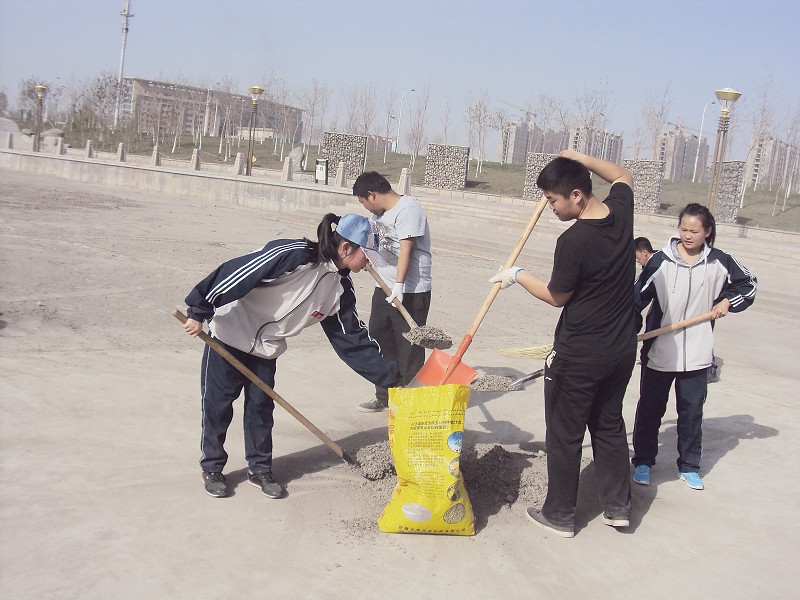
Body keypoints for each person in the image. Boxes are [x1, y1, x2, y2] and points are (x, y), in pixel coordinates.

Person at [182, 213, 401, 498]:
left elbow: (353, 341)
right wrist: (199, 308)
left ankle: (259, 469)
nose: (369, 263)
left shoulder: (339, 289)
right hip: (229, 334)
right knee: (217, 405)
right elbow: (238, 272)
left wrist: (391, 378)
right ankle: (212, 467)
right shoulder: (296, 254)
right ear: (346, 248)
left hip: (265, 349)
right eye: (367, 255)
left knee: (261, 409)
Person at [490, 150, 637, 538]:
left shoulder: (574, 241)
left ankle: (560, 515)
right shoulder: (621, 214)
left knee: (565, 434)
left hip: (579, 354)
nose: (550, 208)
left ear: (575, 195)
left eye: (553, 200)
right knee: (608, 426)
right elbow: (622, 174)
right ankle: (618, 506)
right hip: (621, 350)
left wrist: (518, 275)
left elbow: (557, 296)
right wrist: (578, 157)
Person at [631, 203, 756, 491]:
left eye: (694, 230)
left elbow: (748, 284)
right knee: (650, 409)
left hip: (698, 354)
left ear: (707, 232)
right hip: (660, 351)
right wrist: (624, 331)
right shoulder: (660, 261)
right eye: (684, 229)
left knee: (691, 412)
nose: (688, 235)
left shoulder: (719, 262)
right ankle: (643, 461)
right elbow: (636, 298)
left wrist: (727, 301)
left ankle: (688, 466)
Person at [352, 171, 432, 412]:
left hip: (411, 291)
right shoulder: (380, 215)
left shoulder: (408, 210)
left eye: (363, 202)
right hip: (384, 288)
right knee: (379, 338)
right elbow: (379, 246)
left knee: (409, 346)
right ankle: (384, 395)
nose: (365, 207)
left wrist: (399, 284)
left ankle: (412, 403)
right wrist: (368, 259)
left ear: (371, 195)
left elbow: (406, 249)